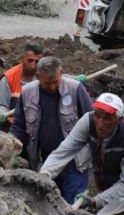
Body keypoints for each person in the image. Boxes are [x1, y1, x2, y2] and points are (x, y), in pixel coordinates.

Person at [40, 93, 124, 214]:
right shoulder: (88, 121)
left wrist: (95, 201)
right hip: (106, 176)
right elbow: (63, 151)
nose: (100, 123)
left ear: (118, 120)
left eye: (107, 118)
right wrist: (44, 175)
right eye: (97, 116)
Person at [10, 56, 92, 204]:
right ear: (38, 77)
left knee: (73, 204)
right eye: (48, 83)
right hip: (46, 160)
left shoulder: (75, 89)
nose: (53, 87)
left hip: (74, 160)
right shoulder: (28, 92)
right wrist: (11, 147)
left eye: (56, 81)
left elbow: (92, 123)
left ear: (61, 72)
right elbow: (19, 126)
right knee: (50, 204)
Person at [0, 42, 44, 128]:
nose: (33, 65)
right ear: (22, 59)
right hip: (15, 127)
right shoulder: (8, 78)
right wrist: (0, 114)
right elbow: (3, 105)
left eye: (37, 61)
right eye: (30, 60)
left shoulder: (44, 76)